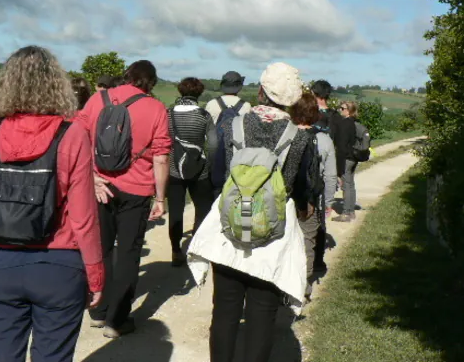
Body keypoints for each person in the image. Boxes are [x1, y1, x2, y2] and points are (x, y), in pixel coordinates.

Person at [0, 46, 104, 362]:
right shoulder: (73, 134)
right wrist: (95, 274)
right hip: (59, 267)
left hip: (0, 262)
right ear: (56, 84)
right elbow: (84, 218)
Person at [188, 62, 311, 362]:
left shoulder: (233, 125)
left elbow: (219, 176)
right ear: (292, 99)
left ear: (260, 91)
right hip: (272, 233)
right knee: (262, 315)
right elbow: (303, 187)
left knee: (225, 312)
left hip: (231, 229)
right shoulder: (299, 137)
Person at [77, 60, 171, 339]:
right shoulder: (156, 108)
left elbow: (76, 138)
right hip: (138, 189)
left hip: (99, 186)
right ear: (150, 83)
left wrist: (90, 176)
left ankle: (97, 309)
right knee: (129, 253)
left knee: (101, 248)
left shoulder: (98, 98)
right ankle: (117, 321)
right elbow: (162, 157)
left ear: (127, 76)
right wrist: (161, 198)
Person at [289, 92, 338, 301]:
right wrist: (327, 202)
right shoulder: (324, 140)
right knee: (307, 242)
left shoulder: (285, 134)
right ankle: (303, 288)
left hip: (285, 198)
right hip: (309, 201)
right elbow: (330, 175)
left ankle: (283, 286)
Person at [167, 77, 218, 266]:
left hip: (174, 167)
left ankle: (175, 250)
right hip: (199, 168)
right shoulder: (203, 116)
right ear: (199, 93)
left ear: (181, 92)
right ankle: (196, 247)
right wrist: (210, 164)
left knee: (175, 210)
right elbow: (213, 145)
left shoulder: (168, 113)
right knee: (202, 208)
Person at [310, 79, 347, 271]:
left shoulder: (307, 111)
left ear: (314, 92)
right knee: (323, 212)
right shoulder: (336, 117)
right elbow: (340, 148)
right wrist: (339, 173)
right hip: (328, 167)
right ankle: (318, 258)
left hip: (309, 167)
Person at [332, 101, 358, 223]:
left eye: (342, 108)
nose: (340, 110)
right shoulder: (353, 123)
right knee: (351, 184)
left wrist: (339, 168)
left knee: (346, 185)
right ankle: (351, 211)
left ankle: (346, 213)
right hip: (353, 157)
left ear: (349, 111)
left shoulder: (343, 125)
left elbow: (341, 147)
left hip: (346, 158)